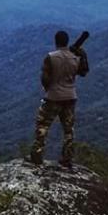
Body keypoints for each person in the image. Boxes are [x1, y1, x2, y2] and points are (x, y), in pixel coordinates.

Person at [29, 30, 89, 168]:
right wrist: (83, 55)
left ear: (56, 41)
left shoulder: (50, 57)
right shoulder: (75, 57)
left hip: (53, 97)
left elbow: (45, 78)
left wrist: (48, 89)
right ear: (67, 42)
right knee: (69, 129)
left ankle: (37, 156)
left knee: (42, 126)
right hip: (70, 97)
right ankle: (67, 158)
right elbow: (84, 72)